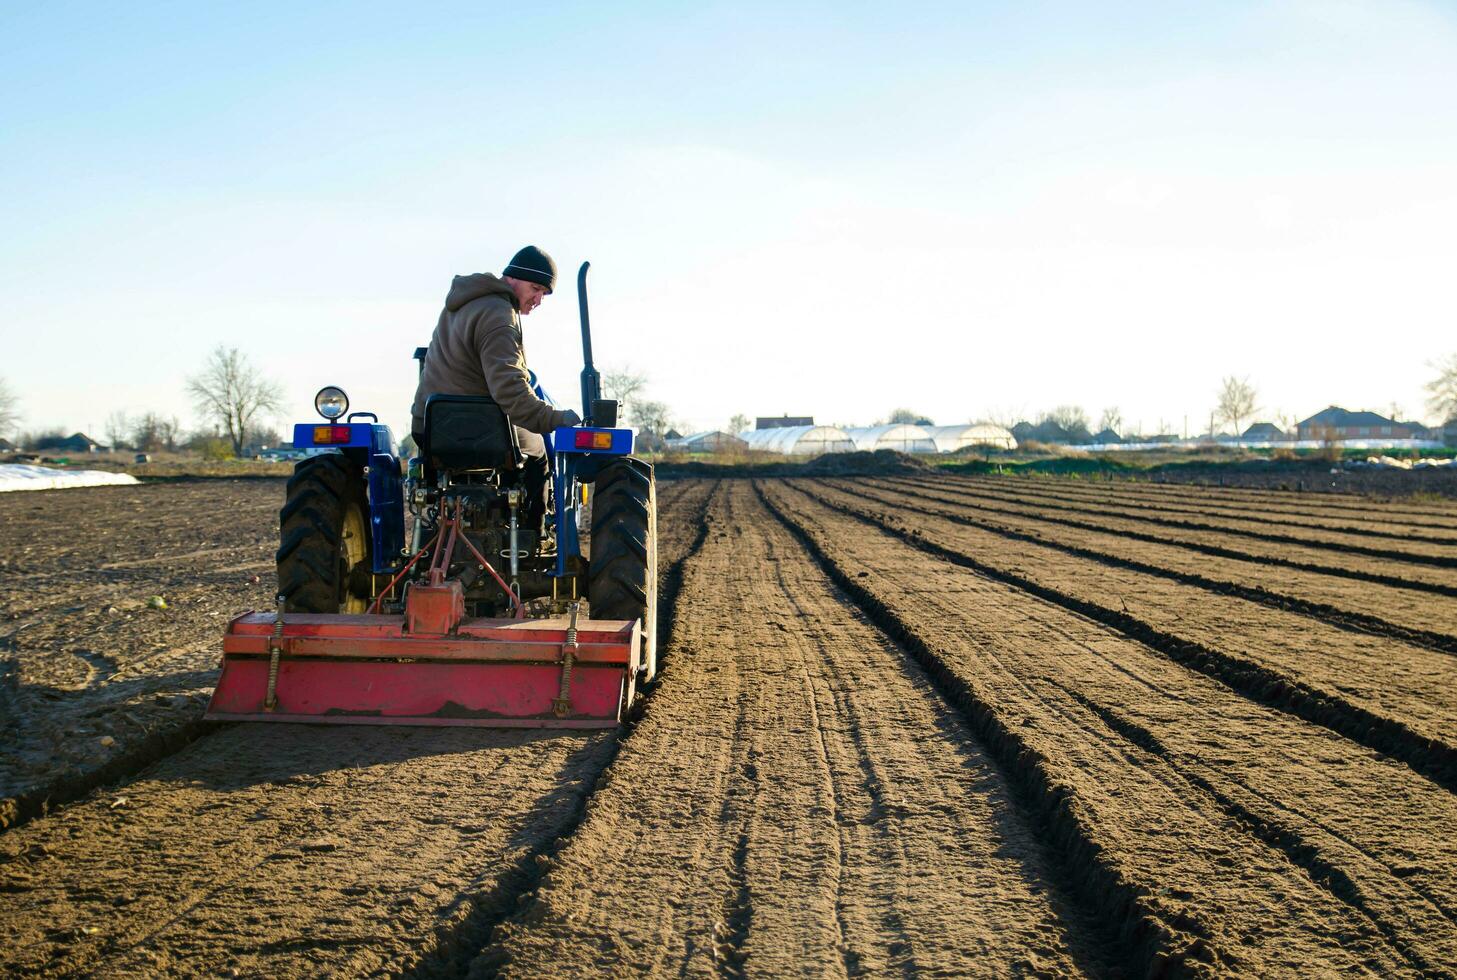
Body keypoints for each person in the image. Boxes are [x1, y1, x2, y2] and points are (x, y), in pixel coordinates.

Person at [410, 245, 579, 524]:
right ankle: (533, 538)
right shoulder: (500, 315)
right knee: (538, 451)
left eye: (543, 294)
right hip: (478, 430)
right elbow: (510, 391)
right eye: (535, 288)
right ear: (512, 278)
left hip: (429, 427)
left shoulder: (461, 304)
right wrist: (555, 418)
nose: (538, 300)